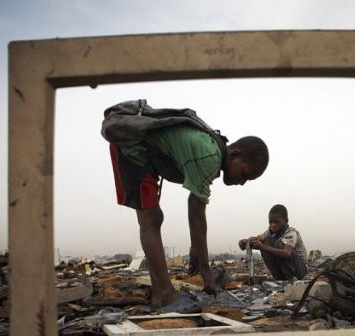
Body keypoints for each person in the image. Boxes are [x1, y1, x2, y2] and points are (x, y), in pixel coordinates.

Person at [109, 122, 269, 309]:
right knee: (151, 219)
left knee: (152, 218)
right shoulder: (209, 156)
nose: (242, 183)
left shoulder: (211, 150)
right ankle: (164, 293)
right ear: (235, 155)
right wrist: (205, 269)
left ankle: (160, 290)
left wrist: (196, 248)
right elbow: (196, 214)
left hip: (143, 154)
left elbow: (196, 214)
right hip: (132, 149)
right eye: (245, 174)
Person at [239, 204, 308, 280]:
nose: (273, 225)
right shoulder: (270, 232)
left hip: (300, 270)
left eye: (277, 222)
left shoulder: (291, 232)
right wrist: (246, 242)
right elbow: (257, 239)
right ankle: (279, 278)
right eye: (270, 222)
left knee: (277, 245)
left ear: (286, 221)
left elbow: (287, 253)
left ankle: (291, 279)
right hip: (284, 270)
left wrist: (261, 246)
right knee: (265, 242)